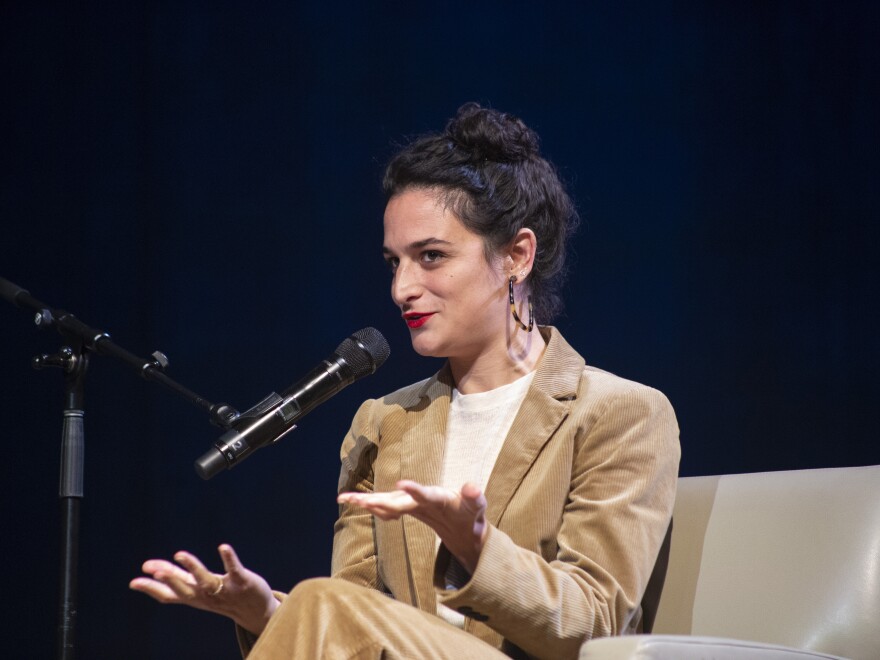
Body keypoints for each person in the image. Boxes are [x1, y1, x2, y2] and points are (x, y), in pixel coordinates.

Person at [130, 103, 680, 659]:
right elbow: (354, 612)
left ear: (517, 254)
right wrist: (272, 616)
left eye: (431, 257)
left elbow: (595, 622)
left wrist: (477, 547)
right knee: (318, 602)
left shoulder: (617, 413)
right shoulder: (384, 422)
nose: (402, 289)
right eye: (395, 262)